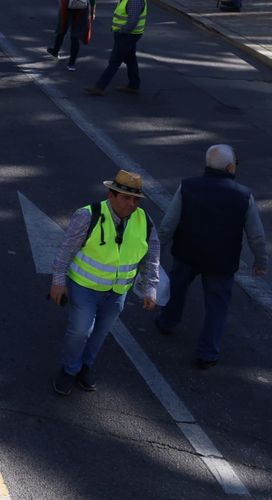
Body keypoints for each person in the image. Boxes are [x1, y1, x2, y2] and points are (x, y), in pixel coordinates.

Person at [156, 145, 269, 369]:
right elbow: (256, 235)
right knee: (217, 307)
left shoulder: (187, 186)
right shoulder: (243, 195)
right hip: (221, 263)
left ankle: (167, 322)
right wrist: (260, 261)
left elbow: (168, 224)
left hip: (187, 253)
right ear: (230, 167)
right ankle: (207, 353)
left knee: (177, 289)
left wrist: (155, 252)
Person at [48, 169, 160, 395]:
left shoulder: (144, 220)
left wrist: (150, 288)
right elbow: (66, 250)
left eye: (136, 199)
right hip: (85, 288)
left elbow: (152, 255)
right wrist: (58, 281)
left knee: (100, 333)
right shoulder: (88, 215)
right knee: (81, 331)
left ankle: (86, 366)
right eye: (126, 198)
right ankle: (70, 370)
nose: (132, 204)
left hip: (118, 291)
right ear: (111, 195)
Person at [85, 0, 145, 96]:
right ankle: (134, 85)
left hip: (128, 35)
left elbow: (133, 20)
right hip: (127, 34)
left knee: (114, 61)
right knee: (130, 59)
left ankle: (99, 87)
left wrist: (122, 31)